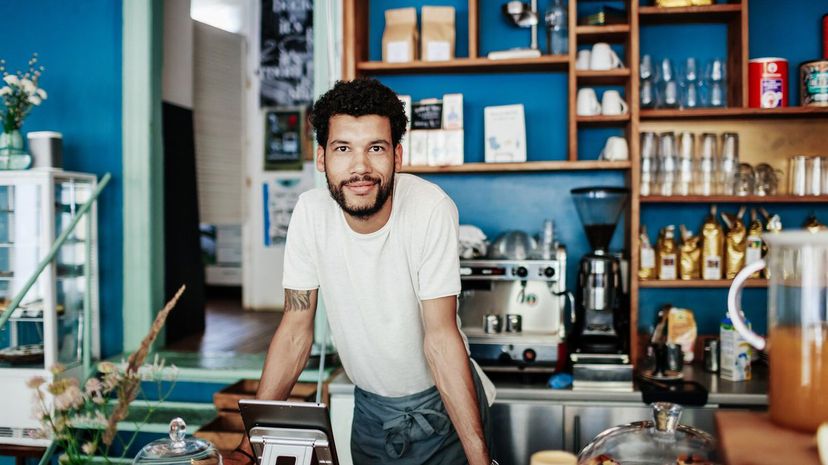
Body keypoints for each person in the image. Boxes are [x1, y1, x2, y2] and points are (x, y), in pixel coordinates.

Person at [226, 78, 496, 465]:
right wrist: (248, 446)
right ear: (321, 159)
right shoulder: (310, 214)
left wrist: (479, 458)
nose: (360, 167)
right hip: (369, 413)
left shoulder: (430, 209)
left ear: (397, 157)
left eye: (376, 148)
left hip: (446, 407)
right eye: (342, 149)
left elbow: (440, 338)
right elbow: (294, 332)